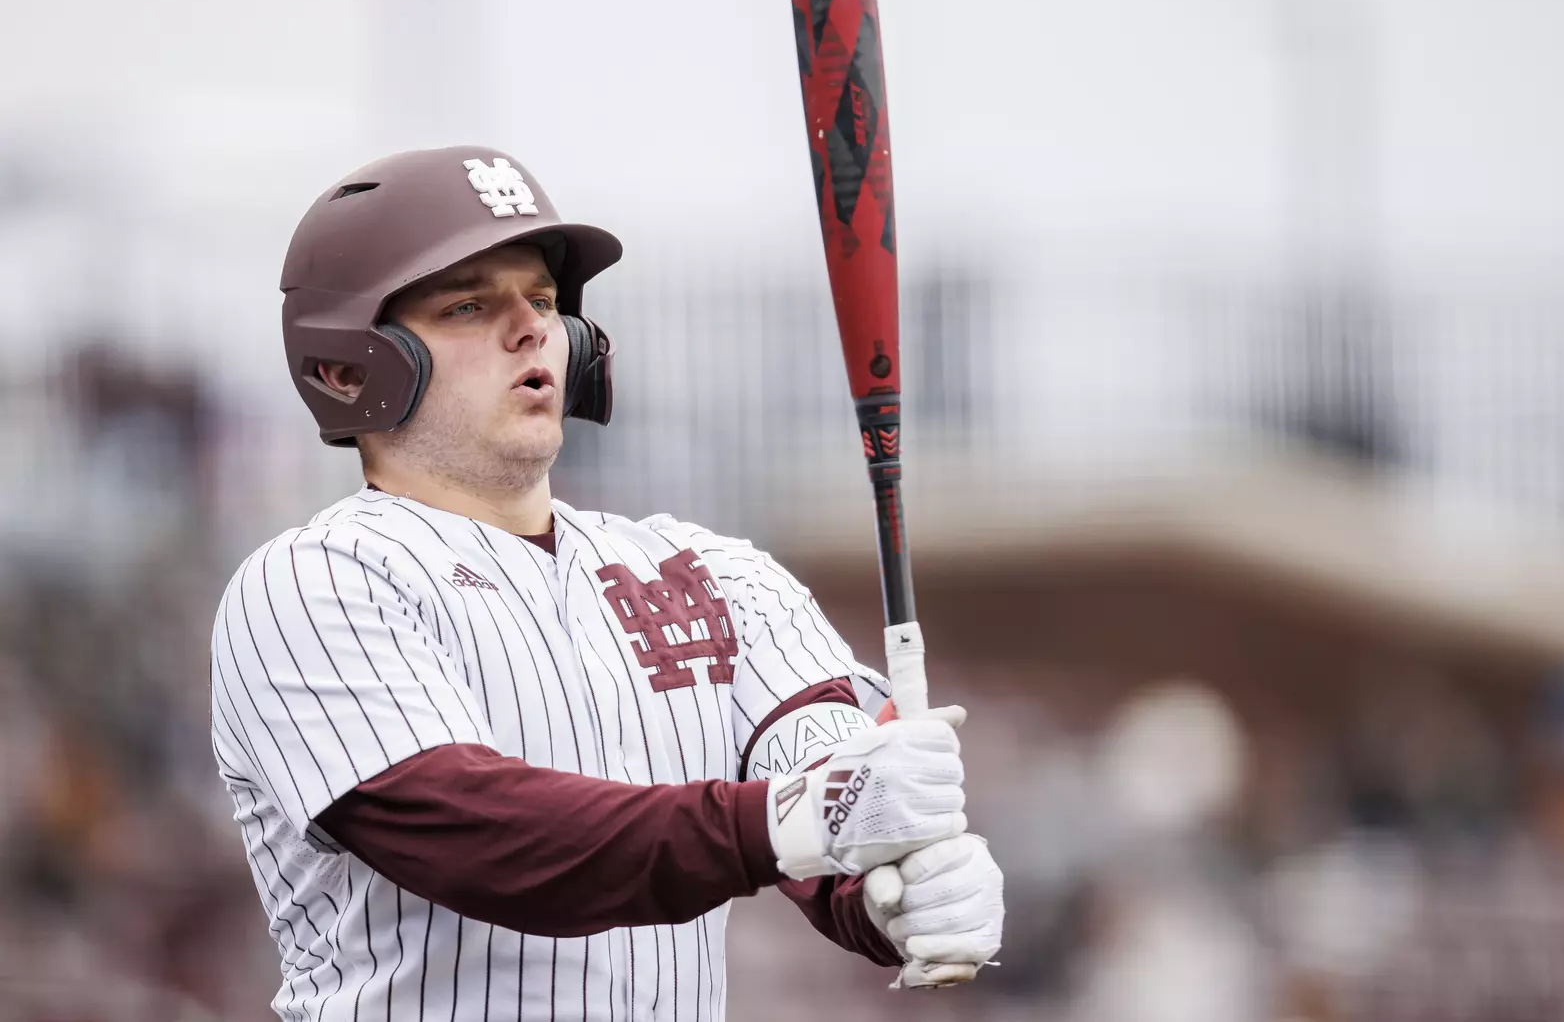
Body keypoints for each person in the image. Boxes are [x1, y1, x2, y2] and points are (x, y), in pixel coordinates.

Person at [209, 146, 1004, 1021]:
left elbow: (823, 788)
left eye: (544, 301)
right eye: (469, 303)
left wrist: (895, 891)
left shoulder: (714, 571)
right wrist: (798, 820)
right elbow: (480, 840)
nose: (531, 328)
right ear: (348, 367)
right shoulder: (311, 582)